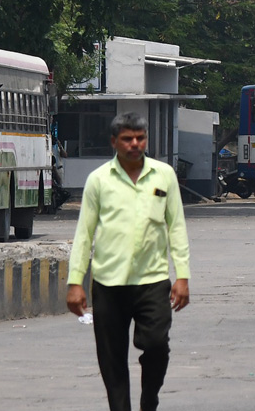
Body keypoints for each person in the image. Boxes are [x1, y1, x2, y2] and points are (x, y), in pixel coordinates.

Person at [67, 112, 191, 411]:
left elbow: (176, 227)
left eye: (140, 138)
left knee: (156, 345)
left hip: (152, 280)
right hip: (109, 283)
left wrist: (183, 276)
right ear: (114, 142)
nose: (135, 144)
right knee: (111, 359)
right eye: (127, 139)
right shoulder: (98, 180)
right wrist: (75, 283)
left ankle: (150, 399)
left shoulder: (164, 175)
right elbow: (84, 233)